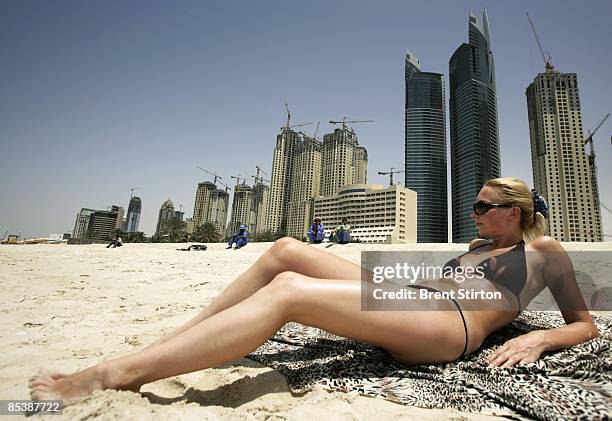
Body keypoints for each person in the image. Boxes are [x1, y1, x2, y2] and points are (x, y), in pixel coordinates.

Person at [29, 177, 598, 405]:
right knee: (284, 251)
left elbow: (585, 322)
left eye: (482, 207)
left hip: (445, 323)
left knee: (291, 290)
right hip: (413, 292)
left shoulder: (546, 253)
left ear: (516, 213)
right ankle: (182, 338)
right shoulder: (476, 251)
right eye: (472, 205)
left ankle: (115, 374)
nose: (472, 213)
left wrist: (539, 343)